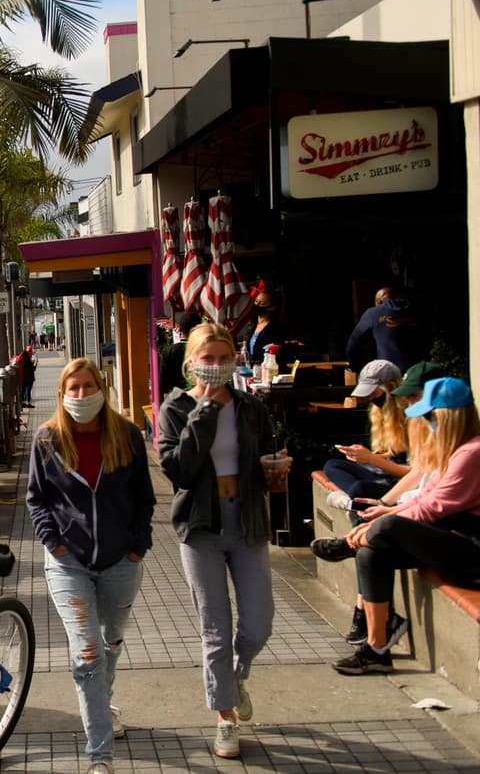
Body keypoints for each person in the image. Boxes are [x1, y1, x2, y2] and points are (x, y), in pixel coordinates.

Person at [157, 322, 281, 760]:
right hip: (201, 526)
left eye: (222, 358)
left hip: (247, 522)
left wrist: (275, 471)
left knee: (259, 622)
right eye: (206, 359)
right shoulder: (174, 409)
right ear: (190, 363)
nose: (214, 366)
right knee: (215, 628)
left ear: (235, 360)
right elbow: (180, 470)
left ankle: (235, 675)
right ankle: (224, 715)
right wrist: (205, 411)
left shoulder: (251, 407)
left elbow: (266, 452)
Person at [28, 358, 155, 774]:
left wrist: (138, 546)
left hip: (121, 562)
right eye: (73, 388)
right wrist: (54, 544)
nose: (81, 395)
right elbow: (37, 498)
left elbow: (145, 498)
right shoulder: (47, 439)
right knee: (86, 655)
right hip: (68, 566)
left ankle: (103, 703)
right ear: (63, 394)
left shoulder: (128, 436)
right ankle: (101, 757)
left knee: (109, 644)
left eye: (88, 386)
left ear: (102, 388)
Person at [312, 378, 480, 675]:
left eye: (430, 416)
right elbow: (429, 496)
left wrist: (382, 521)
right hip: (453, 539)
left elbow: (434, 507)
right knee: (371, 553)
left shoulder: (472, 452)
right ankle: (376, 648)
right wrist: (386, 510)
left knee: (388, 528)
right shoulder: (455, 451)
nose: (426, 423)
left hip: (471, 550)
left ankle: (345, 545)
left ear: (448, 417)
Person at [322, 360, 411, 511]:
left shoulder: (411, 417)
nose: (370, 398)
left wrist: (372, 459)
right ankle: (353, 498)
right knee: (332, 465)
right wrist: (363, 456)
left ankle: (352, 499)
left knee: (359, 488)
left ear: (390, 389)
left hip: (402, 483)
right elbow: (394, 454)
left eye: (373, 392)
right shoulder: (384, 413)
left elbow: (414, 472)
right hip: (384, 475)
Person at [346, 286, 424, 372]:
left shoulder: (372, 313)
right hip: (417, 369)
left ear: (379, 301)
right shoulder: (416, 310)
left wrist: (354, 365)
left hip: (388, 370)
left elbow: (354, 341)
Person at [159, 309, 203, 396]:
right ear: (199, 328)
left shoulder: (168, 352)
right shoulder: (205, 349)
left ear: (181, 330)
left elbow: (163, 384)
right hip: (201, 396)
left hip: (177, 397)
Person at [245, 285, 284, 365]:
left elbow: (272, 355)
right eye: (256, 302)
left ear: (272, 307)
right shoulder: (254, 325)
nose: (257, 305)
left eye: (261, 303)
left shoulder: (275, 328)